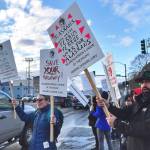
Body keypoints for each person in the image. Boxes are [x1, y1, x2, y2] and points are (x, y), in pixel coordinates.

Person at [97, 70, 150, 150]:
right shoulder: (139, 101)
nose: (144, 85)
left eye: (148, 81)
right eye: (142, 82)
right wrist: (108, 106)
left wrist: (116, 123)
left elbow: (144, 129)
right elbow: (124, 113)